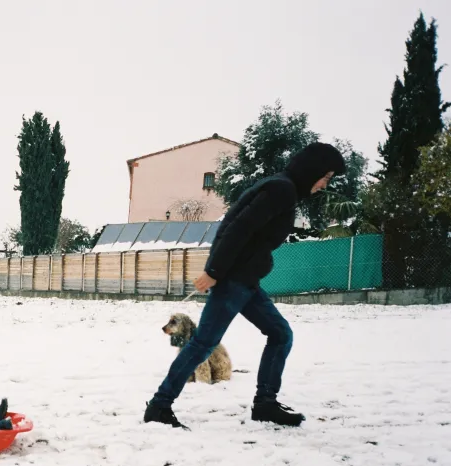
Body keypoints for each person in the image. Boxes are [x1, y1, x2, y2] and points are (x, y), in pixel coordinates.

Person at [144, 142, 346, 429]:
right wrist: (215, 271)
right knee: (203, 344)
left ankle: (265, 403)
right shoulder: (281, 190)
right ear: (312, 170)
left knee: (280, 334)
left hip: (246, 280)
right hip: (233, 279)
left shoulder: (283, 190)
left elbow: (244, 231)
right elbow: (238, 228)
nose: (325, 185)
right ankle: (159, 406)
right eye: (325, 177)